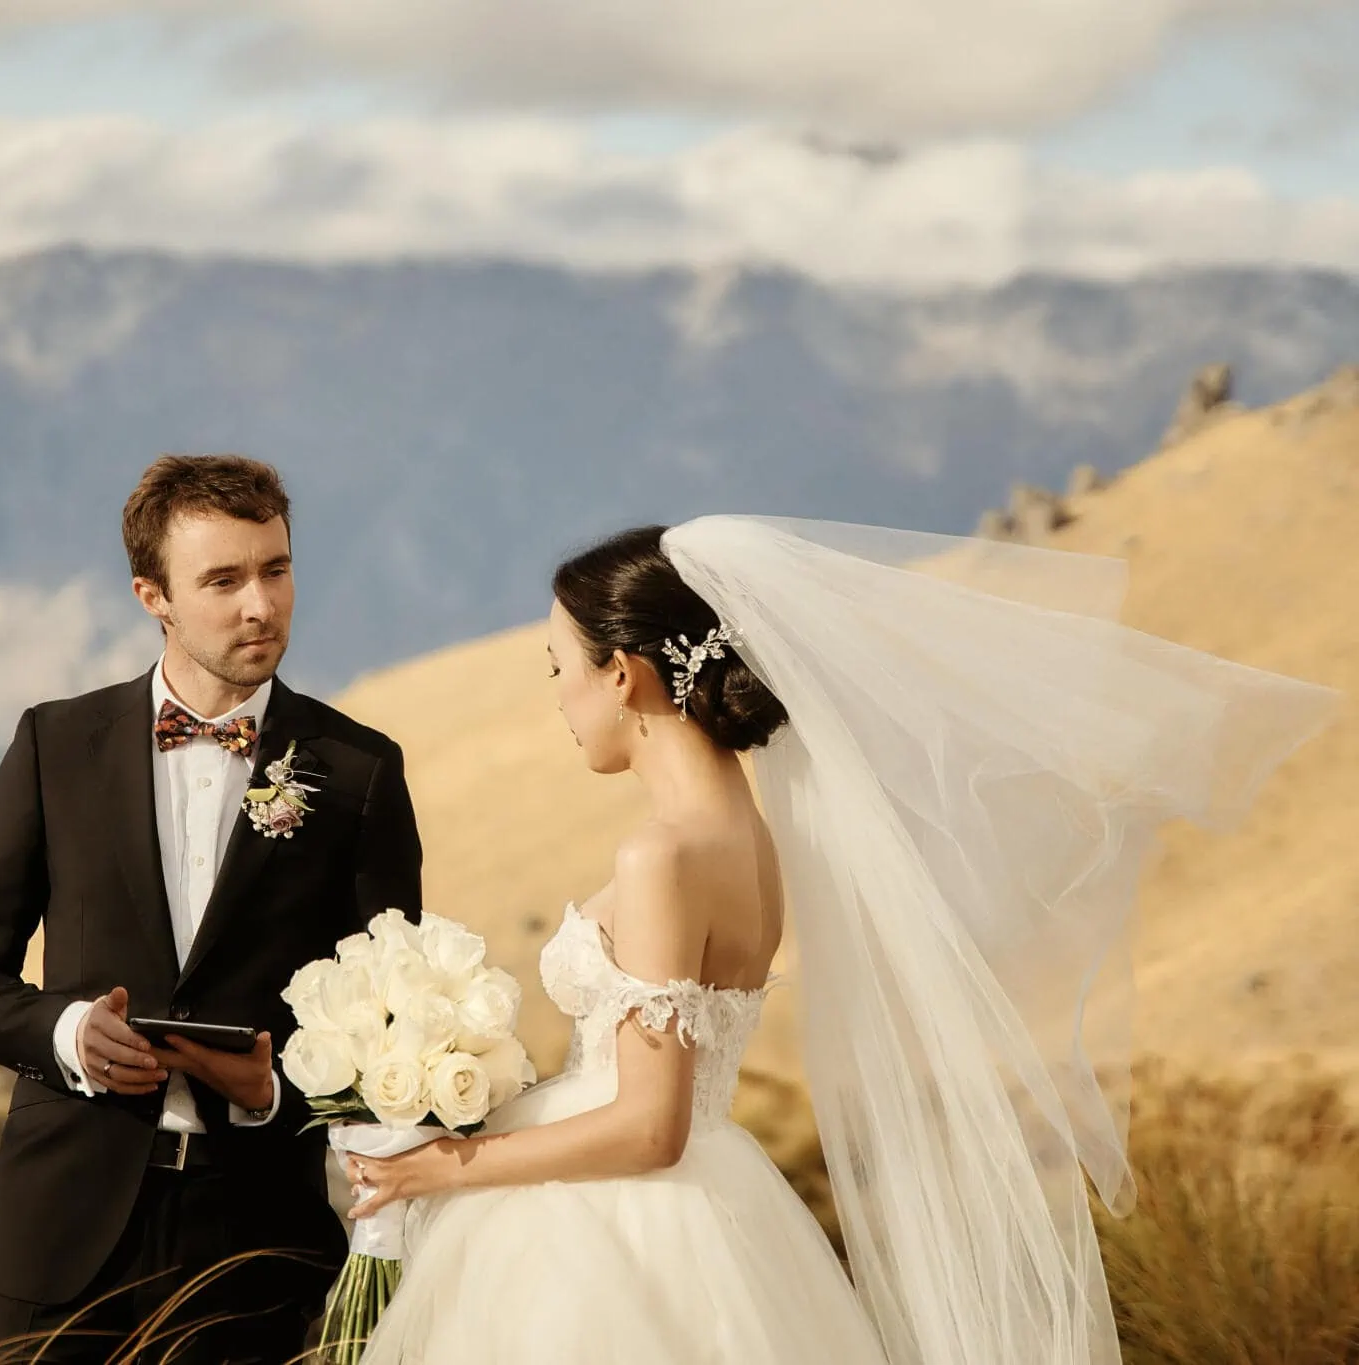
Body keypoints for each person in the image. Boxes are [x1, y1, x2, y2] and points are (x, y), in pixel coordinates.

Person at [344, 516, 1336, 1364]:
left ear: (624, 674)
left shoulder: (661, 855)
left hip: (613, 1228)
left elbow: (650, 1126)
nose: (557, 699)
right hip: (718, 1210)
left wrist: (446, 1167)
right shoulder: (753, 843)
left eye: (559, 668)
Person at [0, 455, 425, 1363]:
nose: (261, 605)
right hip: (55, 1241)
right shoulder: (55, 743)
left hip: (253, 1254)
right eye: (224, 580)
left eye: (275, 569)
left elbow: (393, 1027)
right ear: (151, 593)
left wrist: (274, 1090)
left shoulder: (359, 771)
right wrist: (68, 1030)